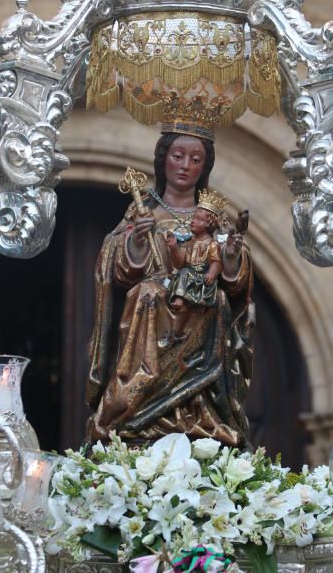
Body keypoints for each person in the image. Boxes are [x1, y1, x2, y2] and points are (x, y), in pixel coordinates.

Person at [86, 132, 254, 447]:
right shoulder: (142, 212)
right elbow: (118, 270)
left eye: (195, 159)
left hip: (200, 310)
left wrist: (230, 256)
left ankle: (198, 413)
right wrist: (136, 241)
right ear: (163, 158)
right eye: (178, 156)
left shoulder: (213, 219)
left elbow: (234, 281)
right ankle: (133, 408)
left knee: (215, 299)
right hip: (151, 312)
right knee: (148, 293)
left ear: (205, 166)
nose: (185, 166)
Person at [166, 191, 226, 344]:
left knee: (185, 273)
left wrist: (212, 274)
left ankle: (179, 299)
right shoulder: (189, 243)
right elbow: (179, 263)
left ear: (209, 224)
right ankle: (176, 333)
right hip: (188, 280)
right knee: (183, 273)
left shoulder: (211, 244)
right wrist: (173, 248)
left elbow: (217, 262)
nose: (192, 221)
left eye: (198, 219)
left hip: (202, 281)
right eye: (193, 218)